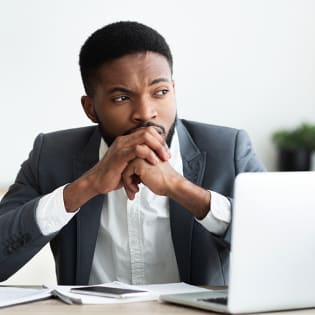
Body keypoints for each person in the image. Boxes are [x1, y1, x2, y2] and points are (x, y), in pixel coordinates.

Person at [0, 21, 265, 285]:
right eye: (122, 98)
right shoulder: (50, 155)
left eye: (160, 92)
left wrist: (179, 188)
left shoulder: (229, 148)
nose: (146, 112)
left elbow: (283, 241)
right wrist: (86, 186)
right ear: (90, 108)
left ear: (173, 90)